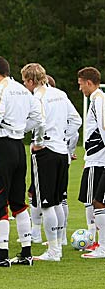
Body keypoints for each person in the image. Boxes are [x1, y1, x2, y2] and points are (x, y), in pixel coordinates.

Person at [0, 56, 44, 267]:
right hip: (18, 147)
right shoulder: (23, 90)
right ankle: (26, 253)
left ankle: (2, 254)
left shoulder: (0, 90)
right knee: (18, 202)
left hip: (1, 148)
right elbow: (39, 120)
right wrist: (21, 130)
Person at [21, 63, 81, 261]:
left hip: (45, 153)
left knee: (47, 204)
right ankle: (59, 245)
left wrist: (38, 142)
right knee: (57, 202)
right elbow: (76, 120)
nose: (24, 85)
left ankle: (54, 252)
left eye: (24, 81)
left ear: (31, 81)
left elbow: (38, 122)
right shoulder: (61, 94)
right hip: (62, 152)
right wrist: (64, 139)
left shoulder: (37, 98)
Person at [77, 67, 105, 258]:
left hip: (98, 160)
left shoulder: (99, 100)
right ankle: (97, 243)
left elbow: (103, 128)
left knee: (97, 202)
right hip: (93, 159)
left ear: (88, 82)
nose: (80, 89)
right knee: (92, 201)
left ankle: (101, 246)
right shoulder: (96, 100)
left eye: (80, 84)